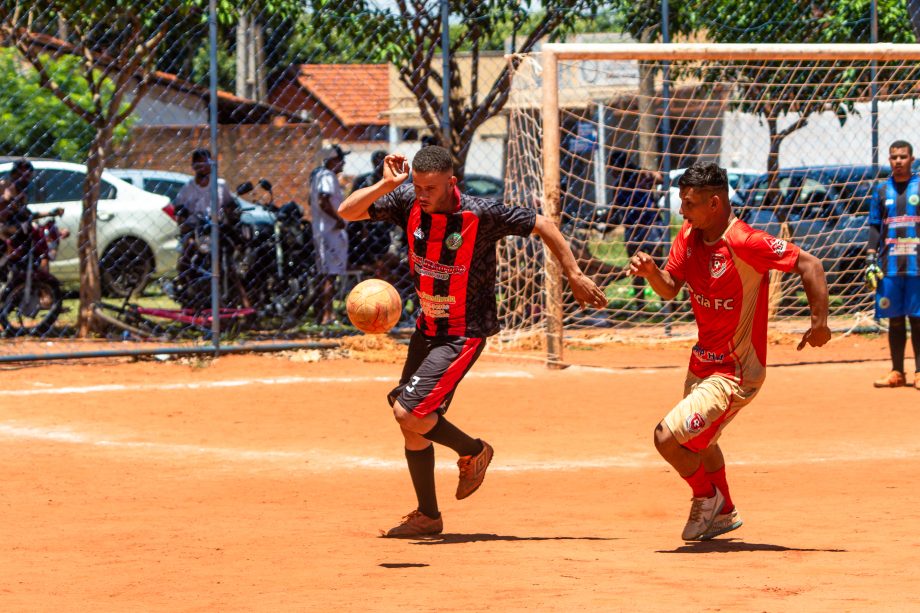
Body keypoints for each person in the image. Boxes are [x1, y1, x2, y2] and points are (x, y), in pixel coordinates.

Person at [339, 145, 607, 538]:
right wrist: (385, 184)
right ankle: (428, 516)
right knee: (413, 425)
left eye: (430, 187)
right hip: (427, 330)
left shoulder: (481, 214)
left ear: (452, 183)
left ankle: (474, 450)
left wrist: (574, 273)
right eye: (417, 186)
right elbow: (347, 211)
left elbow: (544, 225)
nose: (422, 195)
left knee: (408, 412)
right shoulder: (406, 200)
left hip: (462, 333)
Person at [629, 162, 831, 541]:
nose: (681, 211)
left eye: (688, 204)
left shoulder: (744, 242)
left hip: (736, 373)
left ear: (715, 204)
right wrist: (653, 272)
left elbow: (810, 264)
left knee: (666, 438)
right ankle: (724, 512)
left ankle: (706, 497)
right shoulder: (689, 235)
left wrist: (819, 322)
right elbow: (671, 288)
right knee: (703, 441)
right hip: (702, 365)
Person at [867, 140, 920, 390]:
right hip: (889, 267)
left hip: (917, 266)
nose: (898, 161)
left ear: (912, 159)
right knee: (895, 319)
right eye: (893, 157)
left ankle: (919, 372)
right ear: (889, 160)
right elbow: (875, 226)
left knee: (917, 319)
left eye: (903, 157)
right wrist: (869, 258)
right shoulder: (880, 191)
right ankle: (897, 371)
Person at [171, 148, 235, 278]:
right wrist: (184, 223)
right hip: (196, 231)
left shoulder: (220, 185)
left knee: (231, 247)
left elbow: (230, 205)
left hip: (217, 229)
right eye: (200, 165)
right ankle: (183, 278)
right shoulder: (187, 189)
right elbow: (179, 211)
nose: (204, 168)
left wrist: (231, 215)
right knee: (189, 248)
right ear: (194, 167)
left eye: (207, 164)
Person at [0, 159, 68, 272]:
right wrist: (8, 198)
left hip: (14, 231)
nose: (23, 178)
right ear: (13, 174)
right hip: (4, 230)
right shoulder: (4, 186)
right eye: (20, 174)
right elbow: (6, 202)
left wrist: (51, 213)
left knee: (35, 238)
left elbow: (27, 214)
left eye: (27, 176)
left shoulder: (21, 193)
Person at [309, 144, 350, 325]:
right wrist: (338, 219)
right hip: (330, 231)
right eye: (340, 158)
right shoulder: (327, 176)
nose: (343, 162)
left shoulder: (317, 175)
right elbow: (323, 200)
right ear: (332, 159)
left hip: (322, 230)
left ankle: (322, 314)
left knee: (325, 273)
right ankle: (328, 315)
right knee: (330, 275)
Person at [619, 167, 666, 309]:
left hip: (651, 230)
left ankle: (666, 303)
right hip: (635, 231)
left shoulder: (649, 192)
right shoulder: (625, 190)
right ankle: (641, 305)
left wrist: (647, 175)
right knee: (637, 269)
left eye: (647, 179)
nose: (646, 181)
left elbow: (661, 178)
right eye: (642, 178)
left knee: (659, 267)